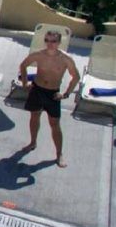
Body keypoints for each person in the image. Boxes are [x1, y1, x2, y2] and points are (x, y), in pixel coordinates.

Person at [19, 30, 80, 168]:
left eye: (53, 41)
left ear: (59, 42)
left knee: (54, 124)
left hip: (52, 94)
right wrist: (24, 83)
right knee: (34, 117)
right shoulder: (38, 55)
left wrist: (65, 94)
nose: (50, 44)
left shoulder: (66, 59)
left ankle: (59, 154)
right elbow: (23, 65)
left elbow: (76, 77)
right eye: (47, 40)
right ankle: (32, 142)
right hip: (37, 90)